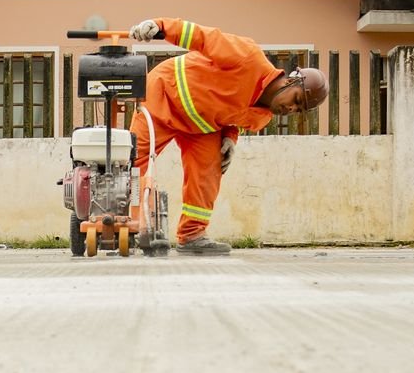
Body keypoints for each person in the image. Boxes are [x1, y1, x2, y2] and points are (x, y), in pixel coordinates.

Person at [127, 18, 329, 255]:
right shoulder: (248, 57)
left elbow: (232, 118)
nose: (291, 109)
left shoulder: (262, 117)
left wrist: (230, 138)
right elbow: (203, 37)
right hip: (163, 95)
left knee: (209, 172)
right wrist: (161, 26)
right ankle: (129, 228)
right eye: (296, 100)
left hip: (201, 126)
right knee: (133, 164)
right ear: (291, 80)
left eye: (298, 110)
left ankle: (192, 235)